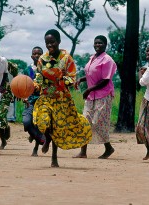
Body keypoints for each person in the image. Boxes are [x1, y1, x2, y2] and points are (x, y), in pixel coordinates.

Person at [33, 29, 92, 167]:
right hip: (46, 96)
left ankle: (54, 158)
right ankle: (47, 138)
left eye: (52, 42)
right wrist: (35, 85)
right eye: (47, 43)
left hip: (61, 98)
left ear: (59, 41)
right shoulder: (42, 59)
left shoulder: (67, 59)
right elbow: (39, 77)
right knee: (42, 121)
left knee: (57, 128)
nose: (49, 45)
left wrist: (60, 78)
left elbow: (72, 79)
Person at [73, 35, 117, 159]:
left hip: (103, 95)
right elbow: (91, 74)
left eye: (100, 43)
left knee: (98, 122)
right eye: (96, 43)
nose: (98, 45)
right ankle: (83, 152)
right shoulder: (92, 58)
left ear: (105, 45)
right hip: (91, 96)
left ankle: (108, 148)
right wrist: (81, 80)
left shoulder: (107, 60)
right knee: (85, 122)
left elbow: (105, 80)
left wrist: (89, 89)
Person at [22, 46, 46, 156]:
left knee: (39, 124)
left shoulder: (46, 69)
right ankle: (34, 135)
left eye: (39, 53)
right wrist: (24, 97)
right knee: (27, 122)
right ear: (32, 56)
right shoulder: (28, 70)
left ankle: (36, 148)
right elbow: (23, 85)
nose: (37, 55)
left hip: (42, 100)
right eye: (35, 54)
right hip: (30, 100)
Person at [0, 61, 18, 150]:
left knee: (0, 115)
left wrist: (16, 90)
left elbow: (15, 71)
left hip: (5, 93)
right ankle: (5, 127)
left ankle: (3, 141)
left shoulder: (4, 63)